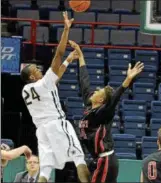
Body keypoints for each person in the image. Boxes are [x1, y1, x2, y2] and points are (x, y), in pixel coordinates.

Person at [20, 12, 90, 183]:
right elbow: (57, 56)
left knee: (45, 169)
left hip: (41, 131)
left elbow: (55, 77)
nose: (38, 69)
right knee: (79, 157)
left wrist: (68, 60)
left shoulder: (26, 90)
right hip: (56, 124)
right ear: (31, 76)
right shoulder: (43, 84)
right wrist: (66, 29)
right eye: (35, 69)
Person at [69, 40, 144, 183]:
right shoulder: (90, 106)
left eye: (99, 91)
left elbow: (115, 98)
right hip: (100, 160)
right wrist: (81, 56)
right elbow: (84, 82)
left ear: (101, 101)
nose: (95, 91)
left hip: (106, 160)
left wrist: (127, 80)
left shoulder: (103, 113)